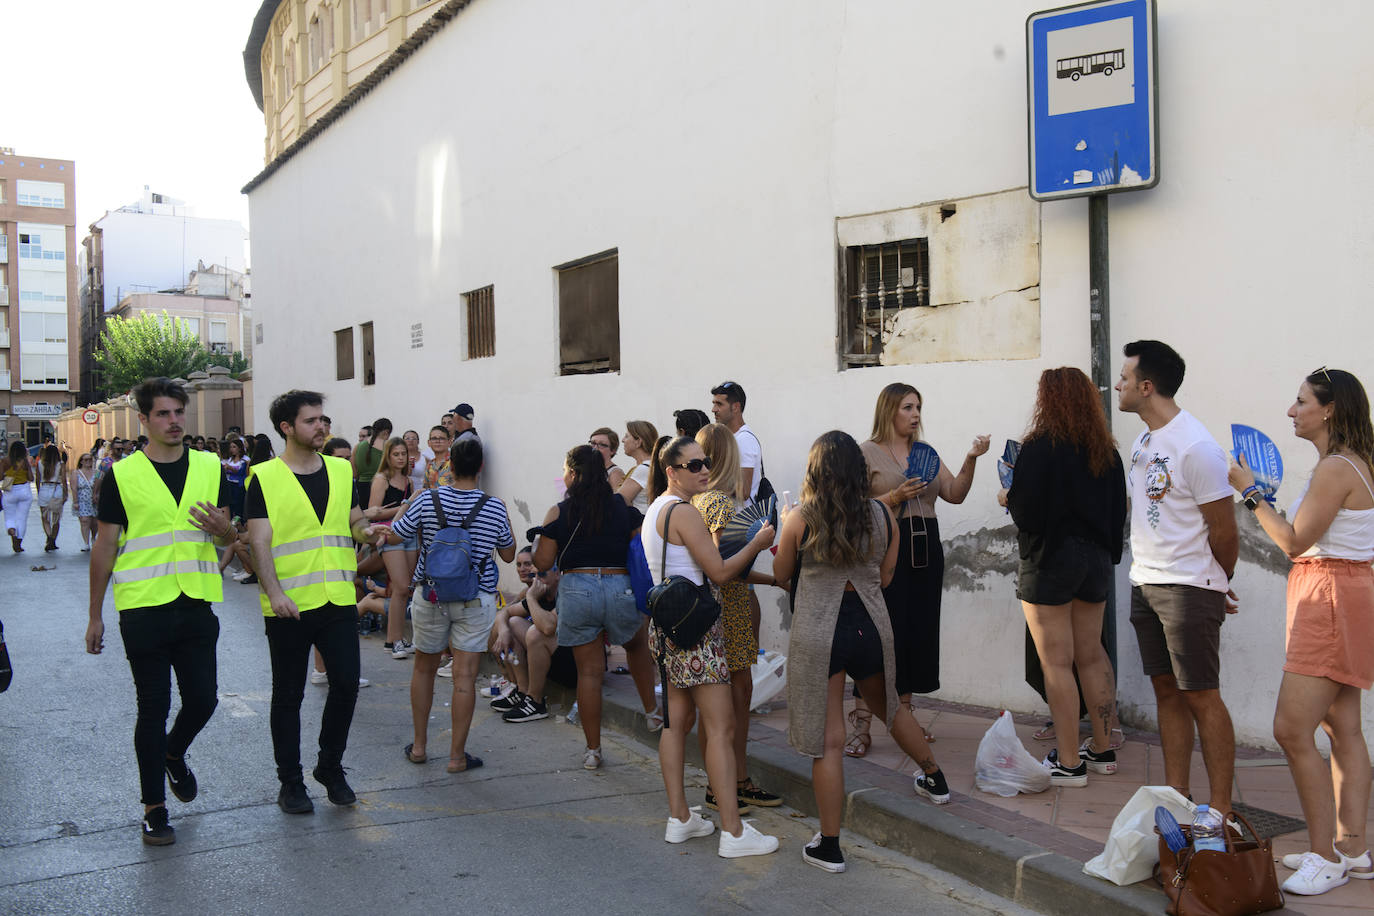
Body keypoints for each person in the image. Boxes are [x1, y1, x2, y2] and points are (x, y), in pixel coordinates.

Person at [774, 431, 953, 872]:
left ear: (815, 470)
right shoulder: (882, 514)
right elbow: (887, 577)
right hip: (871, 626)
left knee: (829, 743)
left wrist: (783, 525)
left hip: (821, 632)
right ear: (859, 470)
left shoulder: (801, 516)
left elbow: (782, 575)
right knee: (891, 707)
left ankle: (830, 845)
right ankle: (934, 778)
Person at [1229, 367, 1374, 896]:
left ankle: (1324, 854)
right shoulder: (1351, 464)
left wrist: (1249, 493)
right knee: (1343, 730)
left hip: (1329, 601)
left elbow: (1292, 542)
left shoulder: (1335, 469)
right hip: (1345, 595)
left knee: (1291, 730)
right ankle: (1353, 851)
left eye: (1300, 401)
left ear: (1329, 409)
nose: (1291, 411)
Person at [84, 377, 236, 845]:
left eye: (179, 412)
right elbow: (105, 546)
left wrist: (226, 534)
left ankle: (174, 753)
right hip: (143, 610)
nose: (174, 421)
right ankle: (154, 808)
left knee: (204, 699)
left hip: (195, 604)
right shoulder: (122, 475)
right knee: (153, 707)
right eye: (164, 414)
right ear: (144, 419)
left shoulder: (211, 466)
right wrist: (95, 615)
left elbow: (230, 533)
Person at [1116, 340, 1238, 817]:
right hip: (1145, 582)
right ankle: (1176, 797)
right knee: (1167, 692)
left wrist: (1215, 580)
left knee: (1201, 695)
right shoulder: (1143, 440)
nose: (1119, 385)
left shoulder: (1197, 447)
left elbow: (1225, 532)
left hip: (1188, 589)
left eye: (1126, 378)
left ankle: (1221, 809)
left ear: (1147, 387)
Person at [642, 435, 779, 857]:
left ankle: (680, 818)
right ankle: (734, 833)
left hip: (667, 628)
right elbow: (719, 573)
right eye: (694, 465)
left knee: (675, 723)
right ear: (672, 471)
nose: (704, 470)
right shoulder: (683, 512)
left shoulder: (654, 510)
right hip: (698, 633)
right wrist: (757, 544)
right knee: (720, 729)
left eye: (705, 463)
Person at [846, 383, 990, 755]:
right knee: (880, 635)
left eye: (918, 408)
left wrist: (972, 457)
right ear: (889, 410)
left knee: (914, 633)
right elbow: (851, 509)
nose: (915, 415)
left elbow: (955, 492)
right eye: (908, 407)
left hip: (925, 548)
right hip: (884, 548)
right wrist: (894, 496)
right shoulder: (865, 453)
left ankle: (905, 716)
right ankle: (861, 724)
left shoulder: (925, 452)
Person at [246, 389, 371, 814]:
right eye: (311, 420)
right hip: (289, 606)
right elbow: (259, 540)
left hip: (336, 597)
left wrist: (368, 533)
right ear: (286, 428)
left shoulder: (340, 469)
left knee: (347, 684)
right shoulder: (263, 477)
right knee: (288, 696)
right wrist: (274, 592)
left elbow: (352, 521)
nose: (322, 426)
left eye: (324, 419)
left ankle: (330, 767)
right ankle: (291, 782)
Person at [1001, 368, 1125, 786]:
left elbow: (1026, 512)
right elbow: (1116, 514)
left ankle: (1069, 761)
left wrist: (1007, 495)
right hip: (1094, 562)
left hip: (1050, 559)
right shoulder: (1106, 452)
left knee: (1056, 662)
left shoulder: (1039, 448)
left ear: (1046, 400)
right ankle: (1103, 751)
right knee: (1092, 654)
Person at [380, 435, 515, 772]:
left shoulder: (427, 500)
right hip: (476, 598)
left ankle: (420, 747)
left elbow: (396, 534)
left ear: (449, 465)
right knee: (465, 677)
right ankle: (456, 756)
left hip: (431, 595)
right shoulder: (494, 506)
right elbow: (510, 554)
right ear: (481, 467)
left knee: (424, 668)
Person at [534, 444, 661, 766]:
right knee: (636, 645)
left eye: (566, 470)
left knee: (589, 674)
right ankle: (651, 712)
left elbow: (543, 561)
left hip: (578, 589)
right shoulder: (621, 506)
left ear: (574, 474)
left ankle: (593, 752)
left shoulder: (559, 511)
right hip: (621, 587)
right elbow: (642, 543)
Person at [692, 423, 781, 812]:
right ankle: (729, 782)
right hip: (730, 608)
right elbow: (726, 566)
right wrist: (762, 548)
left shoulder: (697, 502)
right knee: (734, 699)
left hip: (719, 606)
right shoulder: (719, 504)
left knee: (722, 701)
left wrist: (774, 580)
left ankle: (728, 780)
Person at [366, 437, 417, 659]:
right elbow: (373, 513)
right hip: (388, 535)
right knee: (401, 585)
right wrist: (403, 506)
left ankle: (393, 639)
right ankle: (395, 640)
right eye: (396, 454)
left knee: (404, 589)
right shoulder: (381, 479)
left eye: (403, 454)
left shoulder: (409, 481)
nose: (400, 458)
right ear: (388, 455)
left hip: (410, 534)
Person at [617, 419, 658, 511]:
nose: (623, 440)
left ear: (638, 441)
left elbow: (619, 500)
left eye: (626, 436)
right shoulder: (653, 465)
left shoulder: (643, 469)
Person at [1, 440, 34, 553]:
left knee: (10, 517)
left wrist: (7, 474)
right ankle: (18, 544)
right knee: (22, 518)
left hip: (10, 491)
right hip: (24, 490)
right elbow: (31, 478)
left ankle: (12, 531)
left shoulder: (5, 461)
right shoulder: (25, 462)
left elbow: (0, 477)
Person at [352, 417, 392, 507]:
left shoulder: (357, 446)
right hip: (382, 488)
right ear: (386, 432)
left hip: (361, 487)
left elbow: (354, 473)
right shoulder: (388, 447)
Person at [36, 443, 68, 552]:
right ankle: (53, 540)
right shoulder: (60, 464)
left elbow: (37, 479)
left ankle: (49, 537)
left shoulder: (40, 463)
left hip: (44, 489)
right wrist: (66, 494)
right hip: (56, 489)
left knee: (45, 518)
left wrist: (39, 492)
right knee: (56, 519)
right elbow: (63, 480)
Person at [71, 452, 97, 551]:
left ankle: (94, 538)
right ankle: (86, 543)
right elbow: (74, 488)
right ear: (81, 461)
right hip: (82, 500)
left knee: (95, 522)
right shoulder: (76, 473)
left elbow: (100, 486)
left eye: (90, 459)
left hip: (94, 500)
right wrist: (75, 501)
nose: (88, 462)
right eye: (86, 460)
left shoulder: (97, 472)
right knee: (85, 521)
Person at [222, 438, 249, 524]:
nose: (232, 449)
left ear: (239, 448)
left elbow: (241, 472)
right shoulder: (230, 460)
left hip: (239, 486)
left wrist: (231, 468)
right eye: (231, 447)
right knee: (230, 505)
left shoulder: (245, 459)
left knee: (238, 506)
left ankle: (238, 523)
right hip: (230, 484)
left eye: (234, 447)